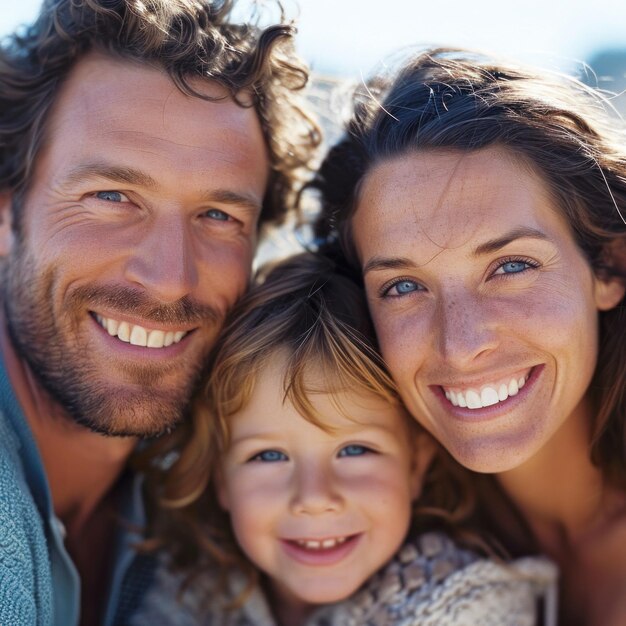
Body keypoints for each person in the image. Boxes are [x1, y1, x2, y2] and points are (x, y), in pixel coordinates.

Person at [0, 0, 319, 624]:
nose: (171, 279)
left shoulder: (215, 502)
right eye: (112, 196)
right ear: (6, 212)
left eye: (219, 217)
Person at [309, 48, 626, 626]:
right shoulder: (370, 550)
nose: (460, 343)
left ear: (608, 266)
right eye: (403, 286)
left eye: (510, 266)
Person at [131, 252, 556, 626]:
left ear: (416, 462)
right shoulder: (189, 586)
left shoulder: (465, 605)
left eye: (355, 450)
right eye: (269, 456)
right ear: (219, 475)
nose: (314, 497)